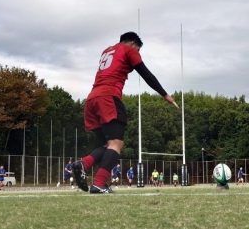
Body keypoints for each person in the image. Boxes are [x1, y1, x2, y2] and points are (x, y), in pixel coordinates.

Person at [73, 32, 178, 194]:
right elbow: (146, 74)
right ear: (132, 43)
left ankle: (84, 164)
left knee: (107, 145)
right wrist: (165, 95)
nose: (138, 54)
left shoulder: (107, 50)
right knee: (116, 144)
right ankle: (99, 183)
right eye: (138, 49)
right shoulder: (128, 50)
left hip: (92, 100)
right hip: (108, 98)